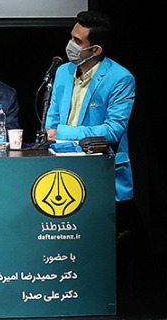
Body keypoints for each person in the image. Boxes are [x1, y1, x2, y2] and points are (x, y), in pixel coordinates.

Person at [45, 11, 135, 203]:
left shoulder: (120, 78)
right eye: (71, 37)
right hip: (61, 166)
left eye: (77, 41)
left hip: (100, 170)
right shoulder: (63, 72)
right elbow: (52, 119)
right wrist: (52, 133)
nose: (70, 45)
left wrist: (63, 133)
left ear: (95, 50)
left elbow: (112, 131)